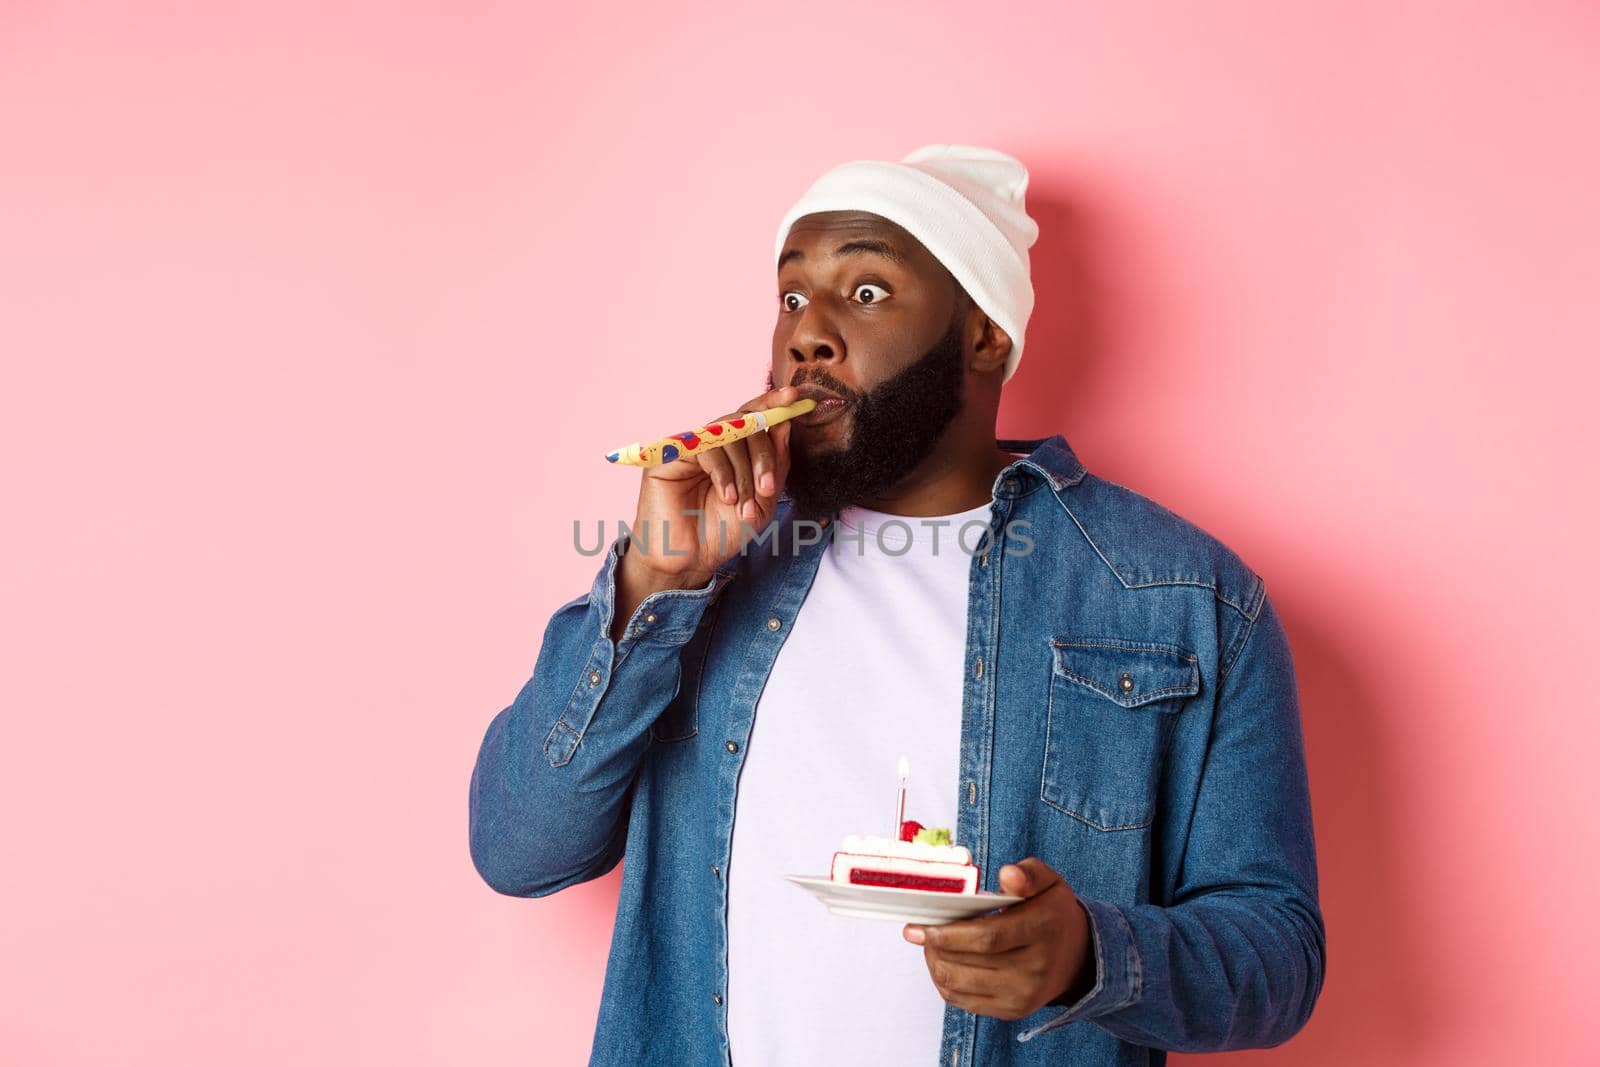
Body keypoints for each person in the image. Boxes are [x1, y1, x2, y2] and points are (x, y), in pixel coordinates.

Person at [468, 144, 1325, 1066]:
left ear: (984, 334)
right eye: (793, 298)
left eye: (866, 291)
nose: (807, 333)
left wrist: (1087, 957)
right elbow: (519, 849)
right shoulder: (711, 561)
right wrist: (654, 583)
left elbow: (1277, 955)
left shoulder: (1185, 597)